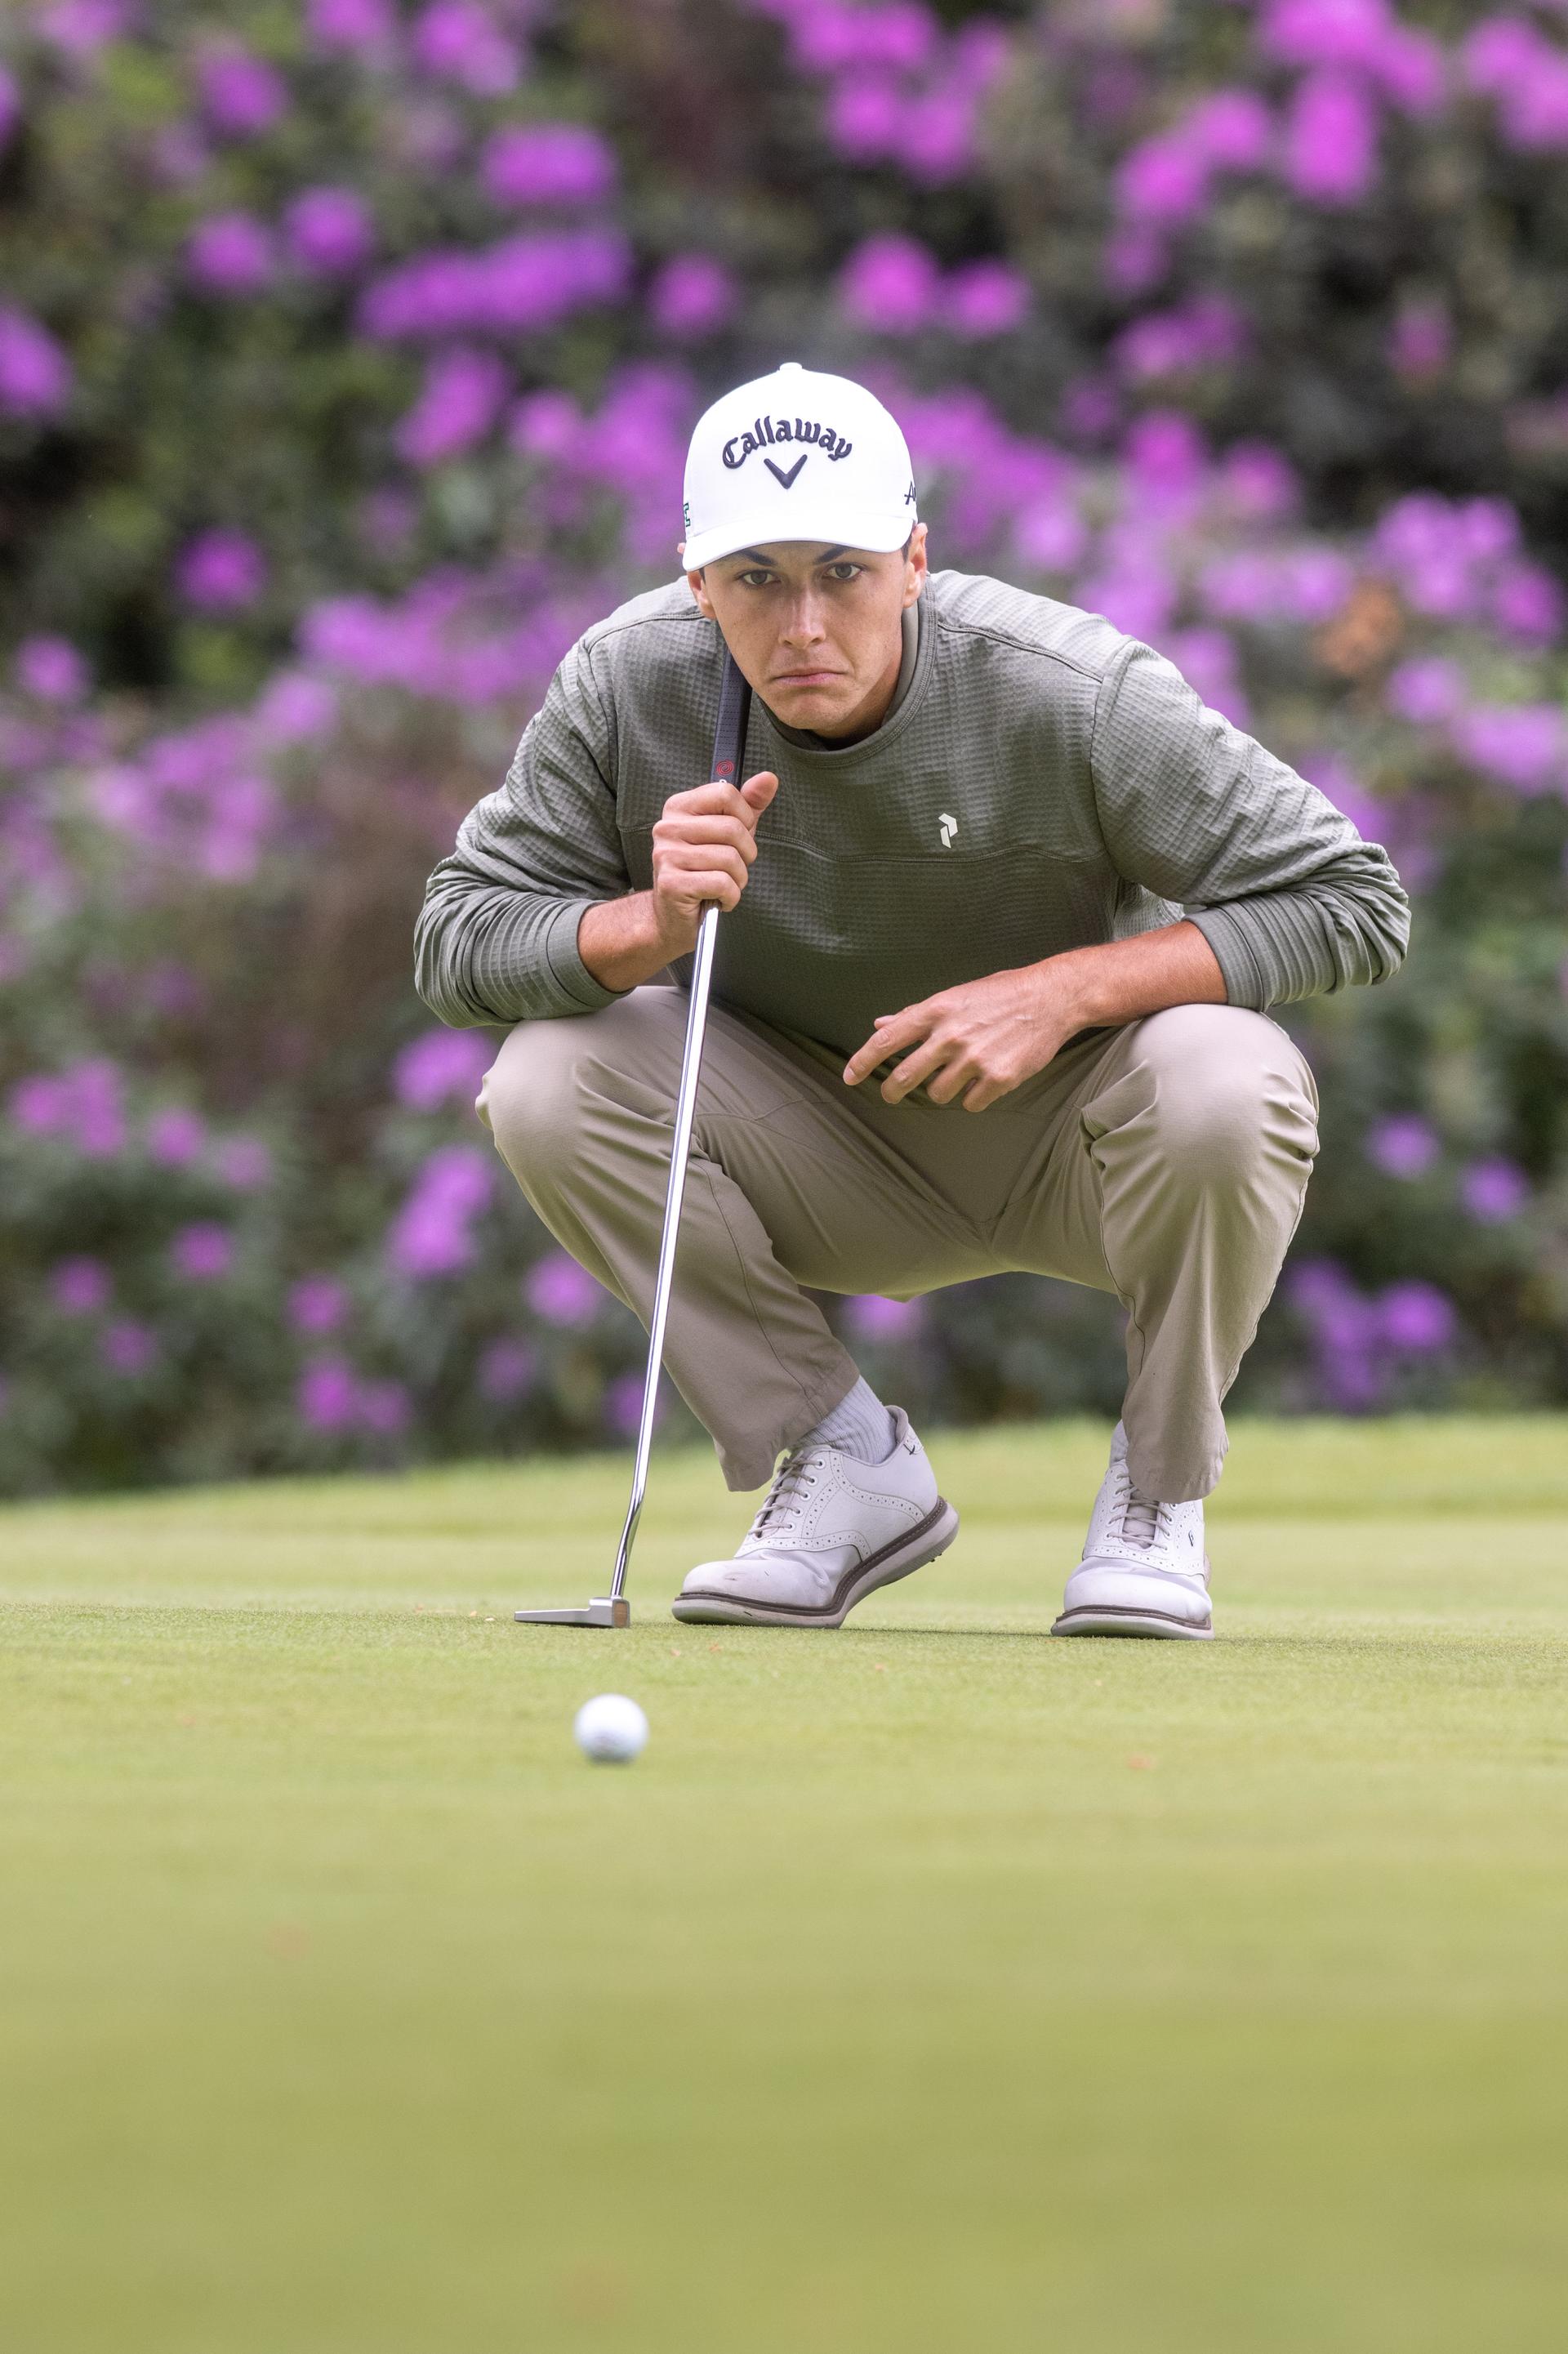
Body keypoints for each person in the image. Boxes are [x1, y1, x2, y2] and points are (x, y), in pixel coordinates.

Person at [415, 361, 1410, 1639]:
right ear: (694, 580)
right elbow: (457, 937)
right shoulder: (627, 685)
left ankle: (1158, 1497)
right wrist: (645, 923)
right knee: (547, 1078)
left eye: (844, 570)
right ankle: (839, 1463)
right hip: (811, 1145)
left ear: (915, 560)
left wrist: (1065, 990)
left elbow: (1351, 896)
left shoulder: (1069, 689)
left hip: (1084, 1146)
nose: (804, 624)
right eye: (757, 579)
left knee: (1231, 1073)